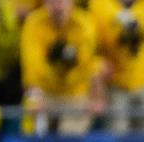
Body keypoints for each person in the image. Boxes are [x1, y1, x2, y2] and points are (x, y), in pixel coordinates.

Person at [20, 0, 104, 135]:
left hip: (75, 94)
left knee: (68, 139)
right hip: (44, 93)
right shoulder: (33, 22)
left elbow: (91, 66)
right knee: (32, 133)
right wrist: (34, 99)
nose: (57, 5)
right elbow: (31, 67)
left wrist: (97, 97)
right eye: (52, 1)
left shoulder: (85, 23)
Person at [89, 0, 144, 133]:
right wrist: (99, 63)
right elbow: (91, 44)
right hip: (116, 81)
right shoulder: (99, 5)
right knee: (117, 134)